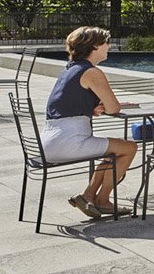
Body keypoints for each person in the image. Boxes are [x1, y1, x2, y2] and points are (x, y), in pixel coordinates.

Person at [44, 26, 137, 219]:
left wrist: (92, 108)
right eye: (106, 43)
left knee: (115, 150)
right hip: (69, 141)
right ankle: (102, 200)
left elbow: (67, 101)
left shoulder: (70, 69)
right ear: (94, 46)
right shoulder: (92, 72)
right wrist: (110, 105)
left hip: (51, 140)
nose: (109, 46)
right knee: (129, 148)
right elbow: (113, 109)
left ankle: (88, 196)